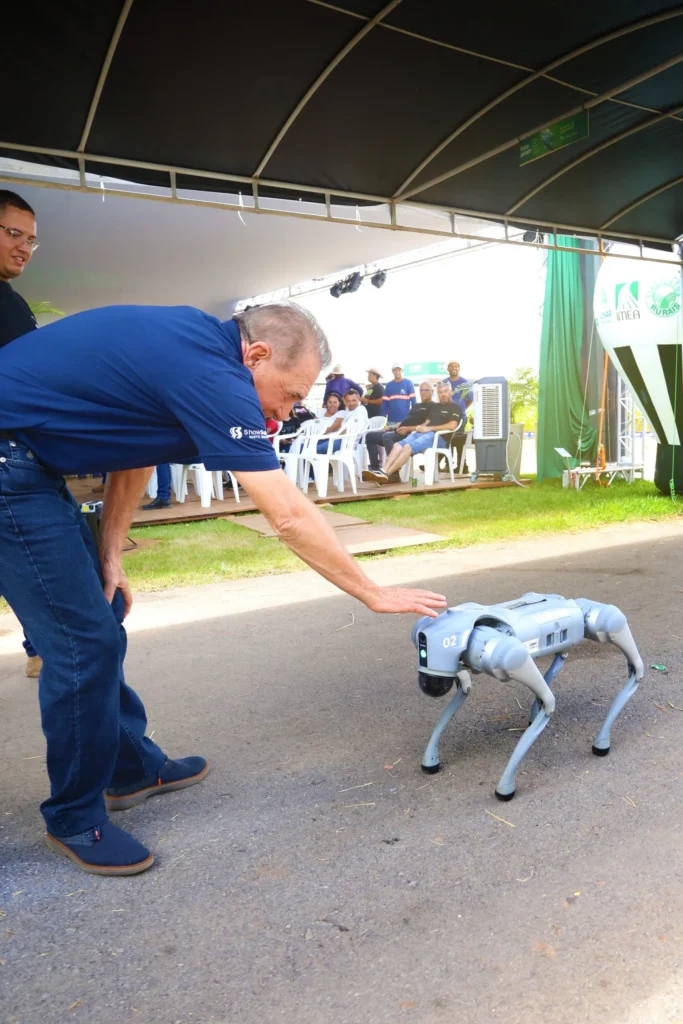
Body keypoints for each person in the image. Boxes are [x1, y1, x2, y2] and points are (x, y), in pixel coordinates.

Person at [0, 300, 446, 876]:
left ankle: (129, 769)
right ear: (256, 355)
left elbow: (135, 453)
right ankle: (73, 816)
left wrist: (110, 553)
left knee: (101, 620)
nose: (288, 411)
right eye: (290, 393)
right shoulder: (212, 372)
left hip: (26, 462)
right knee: (82, 644)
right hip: (9, 465)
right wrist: (371, 592)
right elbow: (287, 514)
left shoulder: (196, 350)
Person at [0, 189, 42, 679]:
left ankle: (39, 646)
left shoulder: (13, 302)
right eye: (14, 233)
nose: (24, 248)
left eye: (30, 240)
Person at [366, 381, 463, 484]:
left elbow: (452, 426)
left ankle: (387, 475)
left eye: (445, 391)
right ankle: (383, 471)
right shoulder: (436, 407)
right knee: (397, 445)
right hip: (425, 434)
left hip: (439, 438)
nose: (443, 394)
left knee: (407, 447)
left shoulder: (455, 407)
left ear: (451, 391)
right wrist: (419, 428)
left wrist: (429, 429)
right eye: (440, 392)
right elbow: (427, 422)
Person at [363, 381, 434, 479]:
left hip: (411, 434)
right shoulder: (416, 406)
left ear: (432, 391)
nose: (423, 392)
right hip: (400, 430)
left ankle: (394, 474)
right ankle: (375, 469)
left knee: (387, 437)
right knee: (370, 436)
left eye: (426, 390)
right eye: (421, 390)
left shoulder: (433, 406)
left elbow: (426, 425)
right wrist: (391, 427)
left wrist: (409, 429)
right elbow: (406, 421)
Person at [442, 361, 473, 473]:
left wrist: (460, 409)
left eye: (456, 366)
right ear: (448, 369)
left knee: (460, 442)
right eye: (451, 366)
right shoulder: (444, 382)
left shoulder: (465, 382)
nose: (454, 368)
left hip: (460, 418)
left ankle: (462, 466)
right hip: (446, 418)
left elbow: (470, 399)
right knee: (447, 441)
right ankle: (448, 465)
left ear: (459, 368)